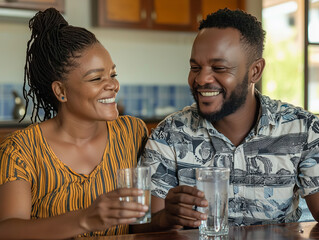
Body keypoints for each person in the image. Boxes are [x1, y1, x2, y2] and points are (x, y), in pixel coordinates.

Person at [134, 8, 319, 233]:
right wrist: (166, 218)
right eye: (195, 68)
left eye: (219, 68)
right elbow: (139, 229)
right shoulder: (169, 135)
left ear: (255, 71)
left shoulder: (303, 130)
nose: (201, 79)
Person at [0, 8, 149, 239]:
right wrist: (85, 219)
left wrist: (168, 217)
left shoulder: (132, 132)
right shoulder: (22, 150)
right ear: (61, 91)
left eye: (113, 74)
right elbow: (8, 230)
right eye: (96, 78)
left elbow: (141, 223)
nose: (112, 85)